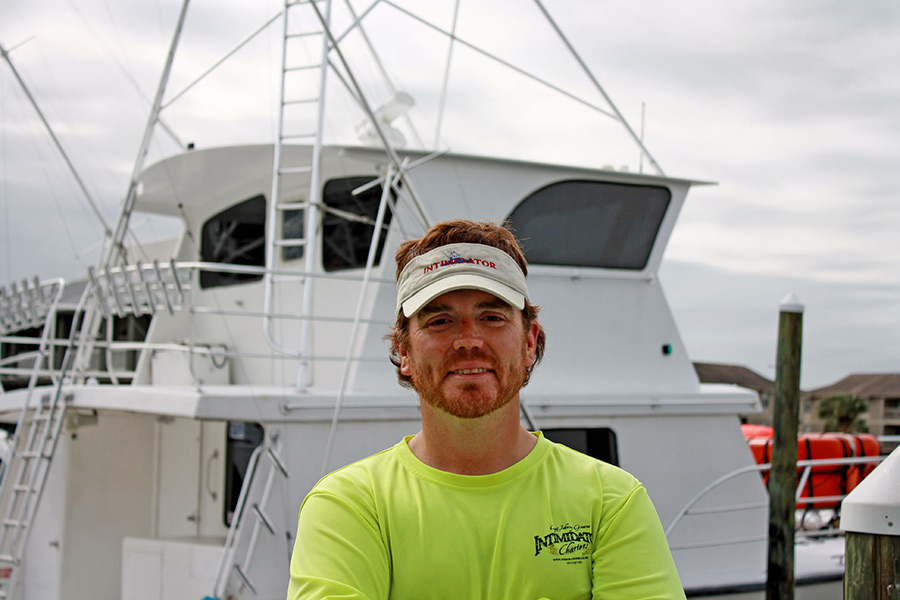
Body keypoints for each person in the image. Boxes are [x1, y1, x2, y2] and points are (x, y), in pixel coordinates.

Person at [287, 220, 685, 599]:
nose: (468, 340)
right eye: (440, 320)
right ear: (403, 350)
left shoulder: (612, 502)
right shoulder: (349, 505)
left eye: (491, 317)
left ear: (530, 342)